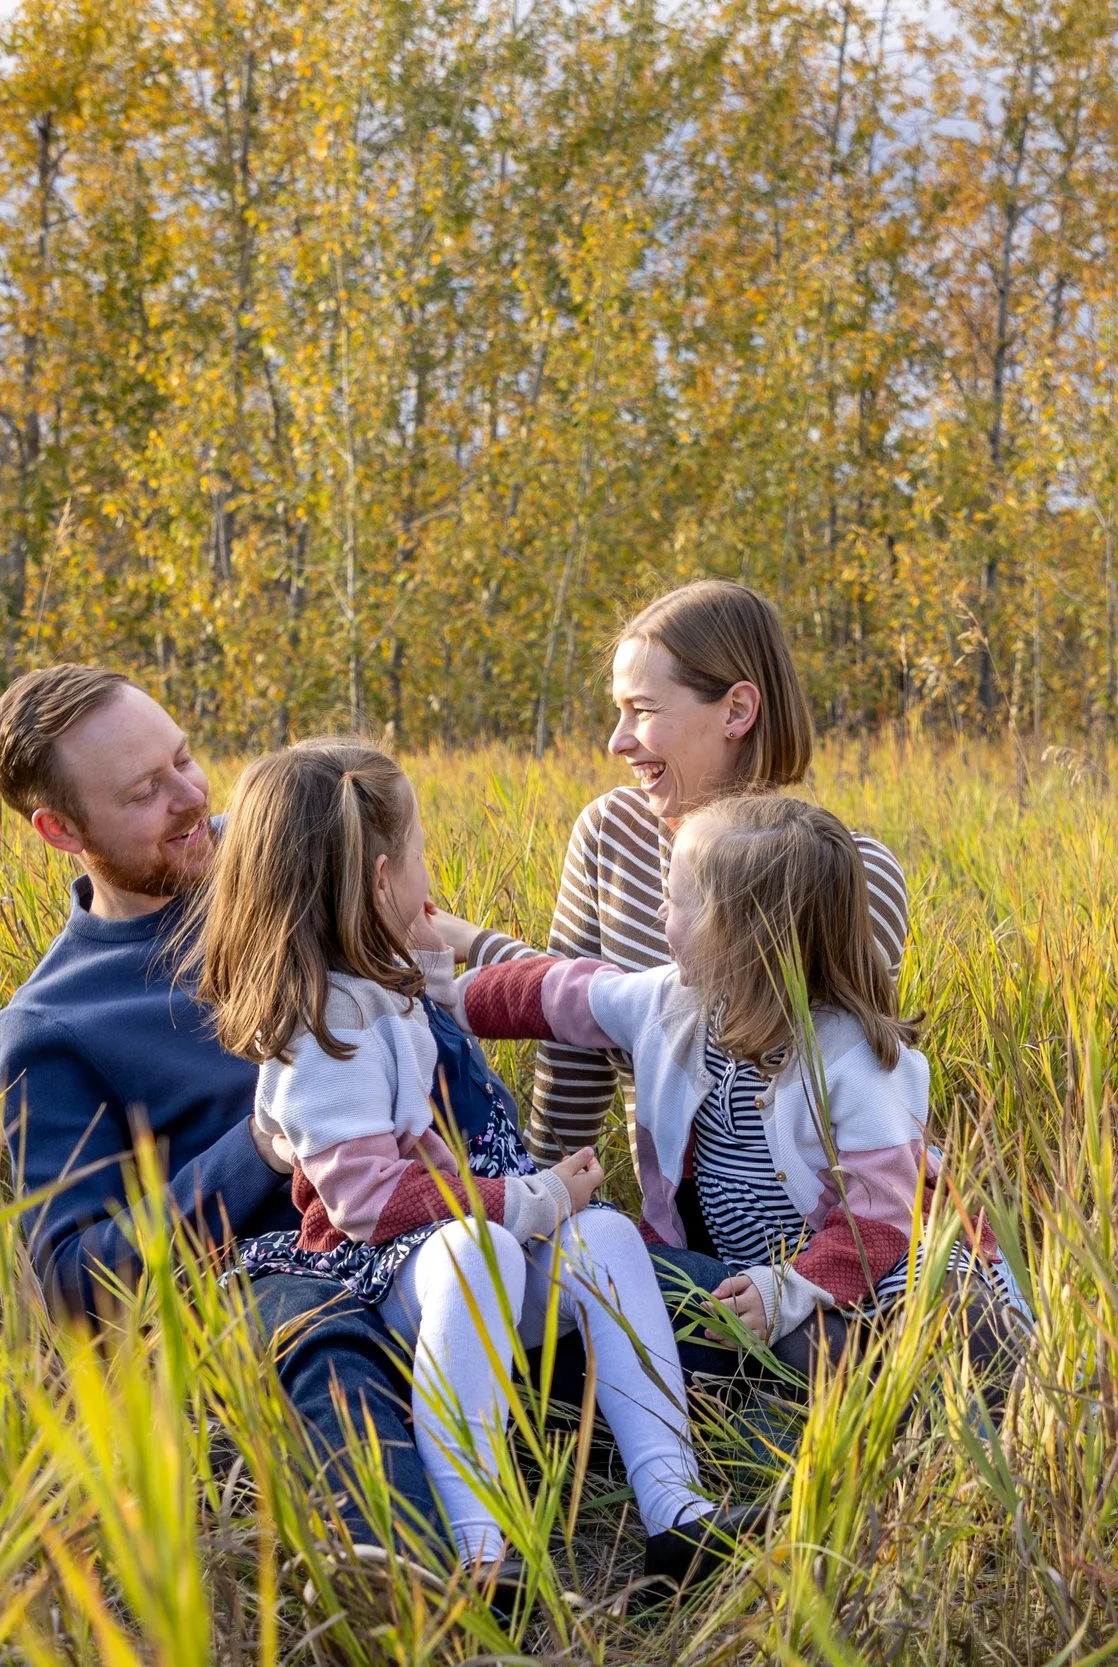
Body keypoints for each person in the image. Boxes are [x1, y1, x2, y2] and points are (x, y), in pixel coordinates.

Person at [196, 739, 754, 1595]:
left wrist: (428, 958)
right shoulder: (322, 1036)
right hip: (371, 1273)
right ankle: (478, 1546)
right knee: (478, 1249)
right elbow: (367, 1205)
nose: (431, 873)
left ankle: (673, 1507)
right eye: (419, 851)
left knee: (605, 1236)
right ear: (382, 880)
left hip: (445, 1246)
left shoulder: (378, 986)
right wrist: (529, 1197)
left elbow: (464, 1006)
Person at [0, 665, 437, 1545]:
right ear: (59, 830)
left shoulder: (287, 854)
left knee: (657, 1294)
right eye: (146, 791)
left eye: (184, 759)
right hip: (277, 1282)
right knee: (320, 1339)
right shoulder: (56, 1023)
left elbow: (429, 951)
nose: (193, 797)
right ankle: (437, 1596)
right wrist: (262, 1145)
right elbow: (76, 1284)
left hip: (437, 1219)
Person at [450, 794, 1028, 1384]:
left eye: (674, 902)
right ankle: (860, 1386)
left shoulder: (853, 1060)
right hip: (748, 1271)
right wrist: (446, 996)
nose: (658, 915)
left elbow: (880, 1220)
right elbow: (557, 993)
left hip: (883, 1254)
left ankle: (1006, 1391)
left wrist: (792, 1287)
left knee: (947, 1305)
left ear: (738, 938)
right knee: (635, 1266)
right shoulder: (670, 1005)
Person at [462, 579, 911, 1163]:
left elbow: (694, 1028)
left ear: (737, 710)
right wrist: (545, 1208)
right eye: (617, 711)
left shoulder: (851, 872)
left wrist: (479, 945)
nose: (616, 741)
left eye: (643, 711)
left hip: (814, 1229)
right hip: (676, 1227)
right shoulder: (612, 830)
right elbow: (571, 1057)